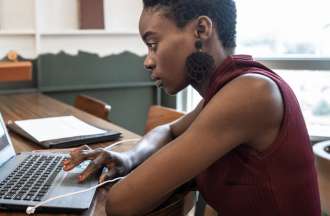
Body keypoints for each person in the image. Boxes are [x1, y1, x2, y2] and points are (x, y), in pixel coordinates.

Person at [63, 0, 321, 215]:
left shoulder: (251, 93)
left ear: (201, 30)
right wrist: (128, 158)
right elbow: (169, 130)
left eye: (153, 44)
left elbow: (120, 204)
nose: (148, 61)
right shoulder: (225, 90)